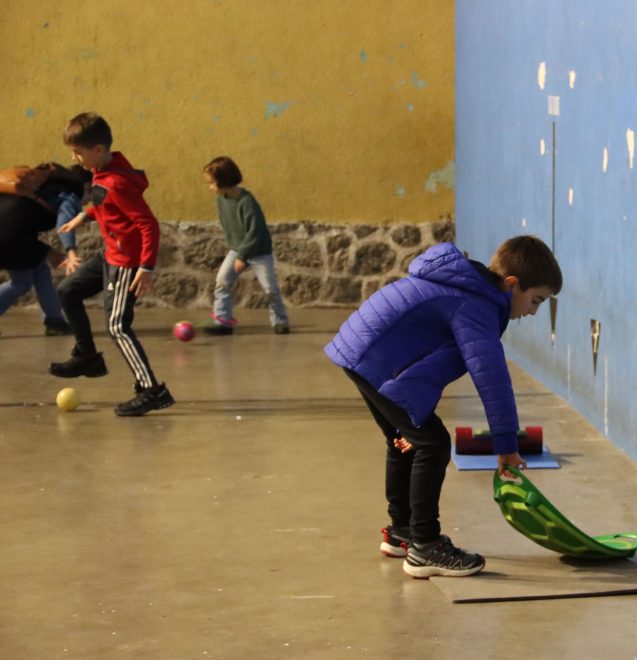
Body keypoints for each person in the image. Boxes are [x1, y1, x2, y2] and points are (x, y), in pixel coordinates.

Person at [324, 236, 561, 578]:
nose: (533, 311)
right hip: (376, 359)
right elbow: (491, 377)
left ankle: (402, 531)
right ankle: (425, 545)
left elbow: (428, 362)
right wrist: (507, 445)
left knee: (406, 441)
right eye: (535, 300)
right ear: (511, 284)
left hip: (364, 351)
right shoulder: (477, 305)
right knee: (433, 445)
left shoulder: (464, 286)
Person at [50, 112, 175, 417]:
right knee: (68, 291)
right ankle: (87, 356)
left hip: (127, 263)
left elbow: (148, 224)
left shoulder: (117, 181)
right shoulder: (103, 171)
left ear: (98, 149)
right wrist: (85, 216)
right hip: (110, 255)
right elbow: (105, 203)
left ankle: (151, 390)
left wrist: (146, 267)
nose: (74, 158)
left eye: (78, 152)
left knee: (118, 326)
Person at [201, 156, 289, 335]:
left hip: (258, 251)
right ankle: (223, 321)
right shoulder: (221, 199)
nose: (210, 187)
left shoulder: (246, 201)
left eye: (212, 183)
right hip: (237, 249)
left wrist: (243, 256)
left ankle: (280, 321)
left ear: (224, 180)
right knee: (222, 281)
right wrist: (237, 252)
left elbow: (255, 231)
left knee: (270, 289)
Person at [0, 163, 89, 335]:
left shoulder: (41, 185)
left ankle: (54, 320)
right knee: (21, 282)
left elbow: (19, 221)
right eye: (90, 192)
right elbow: (65, 225)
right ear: (84, 186)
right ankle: (54, 320)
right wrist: (71, 252)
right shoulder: (69, 197)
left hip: (13, 233)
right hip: (10, 236)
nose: (89, 201)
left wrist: (46, 251)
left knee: (39, 267)